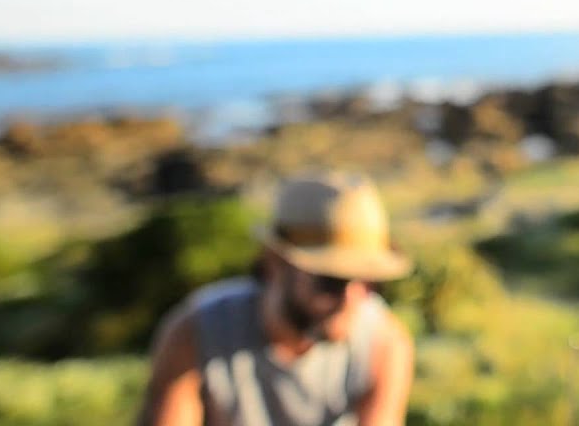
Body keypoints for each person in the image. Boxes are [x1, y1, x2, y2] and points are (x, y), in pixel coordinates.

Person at [138, 173, 415, 426]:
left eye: (370, 283)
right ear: (274, 263)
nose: (351, 300)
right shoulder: (196, 332)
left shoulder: (384, 343)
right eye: (332, 281)